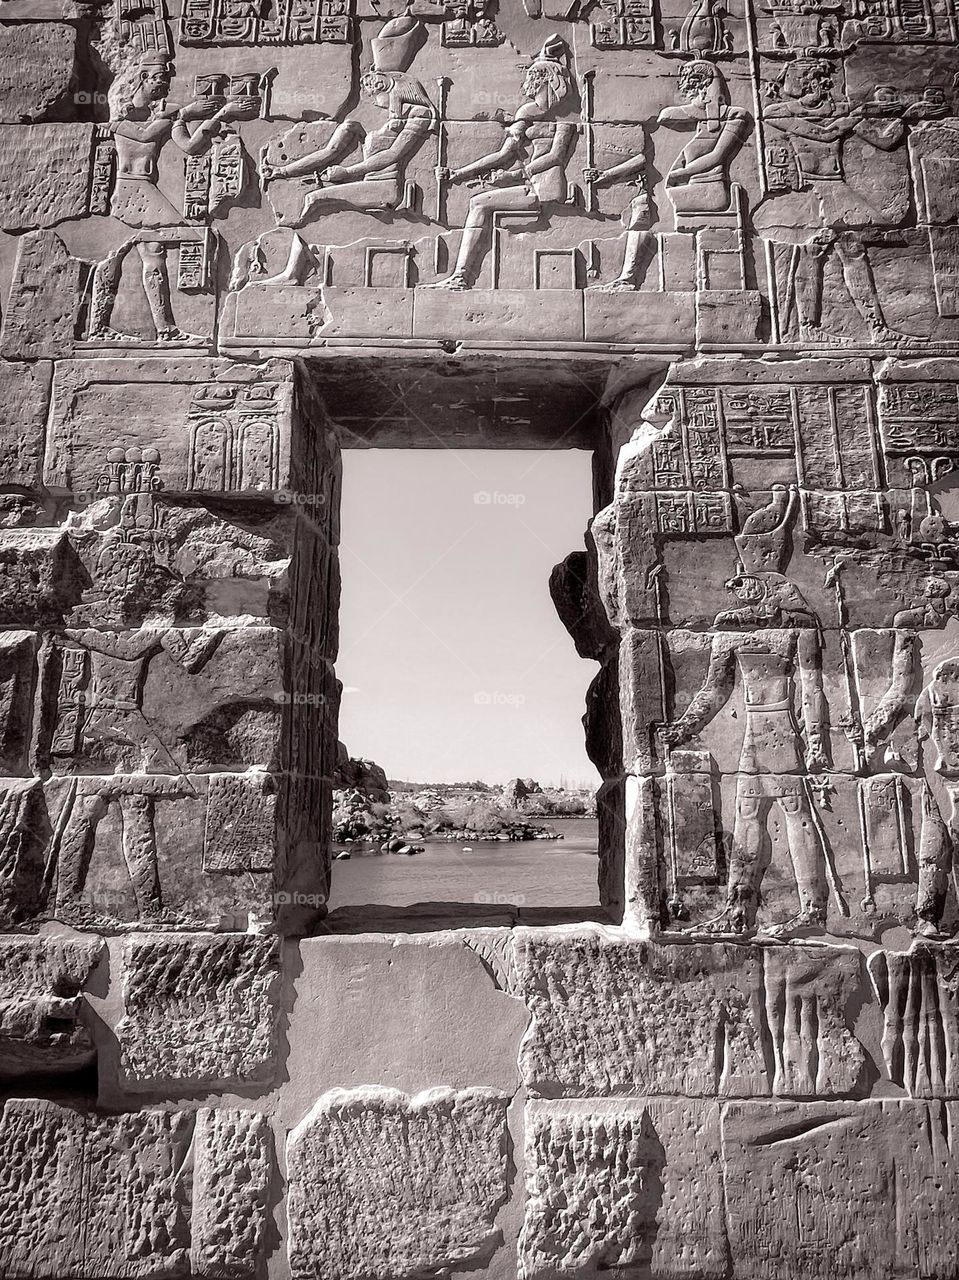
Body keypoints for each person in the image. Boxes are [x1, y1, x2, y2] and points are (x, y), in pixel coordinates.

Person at [88, 51, 241, 344]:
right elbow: (144, 135)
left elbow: (191, 147)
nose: (165, 86)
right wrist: (184, 113)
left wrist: (220, 115)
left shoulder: (169, 113)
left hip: (146, 188)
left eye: (168, 81)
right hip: (128, 190)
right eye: (160, 79)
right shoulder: (121, 115)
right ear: (143, 78)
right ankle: (100, 326)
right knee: (120, 254)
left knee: (151, 252)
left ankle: (164, 330)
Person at [424, 35, 575, 290]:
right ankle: (461, 275)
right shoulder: (527, 113)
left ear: (543, 80)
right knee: (479, 202)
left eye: (531, 77)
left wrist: (515, 175)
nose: (526, 83)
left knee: (479, 204)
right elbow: (503, 155)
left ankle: (462, 276)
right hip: (531, 183)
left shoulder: (567, 118)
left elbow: (555, 157)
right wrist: (459, 173)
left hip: (546, 187)